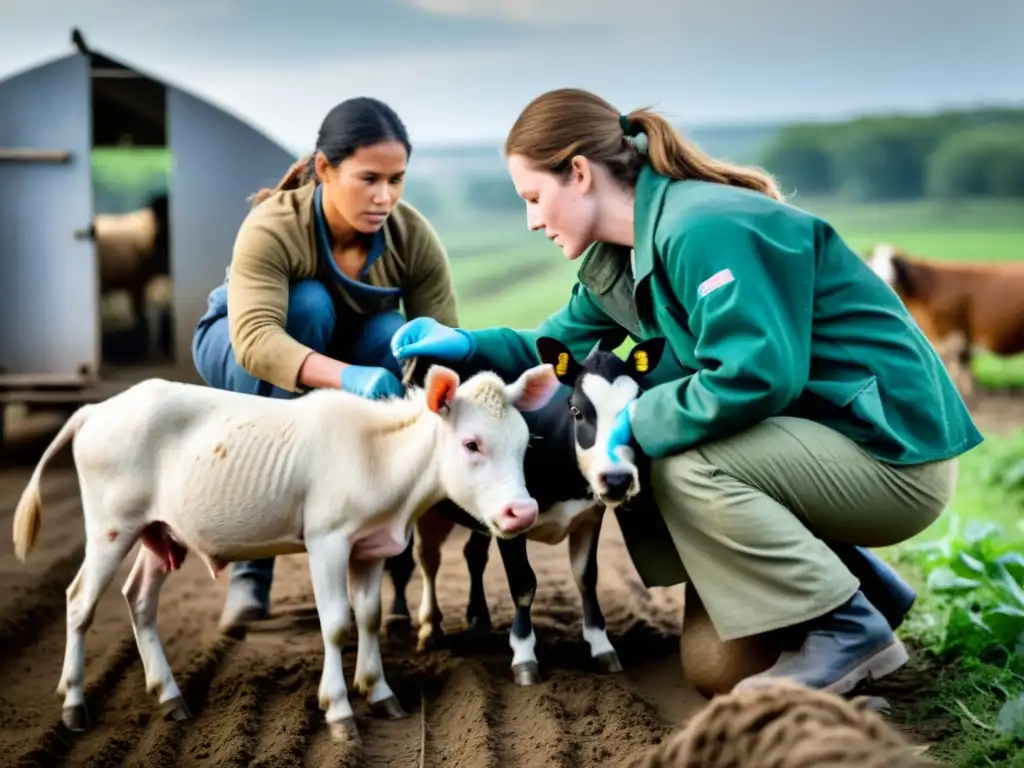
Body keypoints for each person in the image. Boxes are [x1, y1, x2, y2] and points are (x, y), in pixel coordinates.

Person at [388, 87, 983, 695]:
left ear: (579, 173)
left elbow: (754, 376)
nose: (533, 220)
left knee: (666, 456)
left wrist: (632, 420)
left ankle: (848, 626)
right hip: (811, 445)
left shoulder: (701, 229)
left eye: (534, 198)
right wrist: (463, 347)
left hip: (888, 450)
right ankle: (866, 589)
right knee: (717, 669)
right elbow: (550, 342)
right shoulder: (618, 260)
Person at [191, 96, 459, 631]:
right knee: (308, 304)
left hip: (344, 346)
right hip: (241, 348)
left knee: (395, 333)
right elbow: (257, 341)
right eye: (368, 179)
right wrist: (348, 378)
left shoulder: (412, 237)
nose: (385, 196)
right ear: (324, 169)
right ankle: (251, 570)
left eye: (397, 180)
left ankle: (380, 551)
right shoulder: (275, 226)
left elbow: (441, 341)